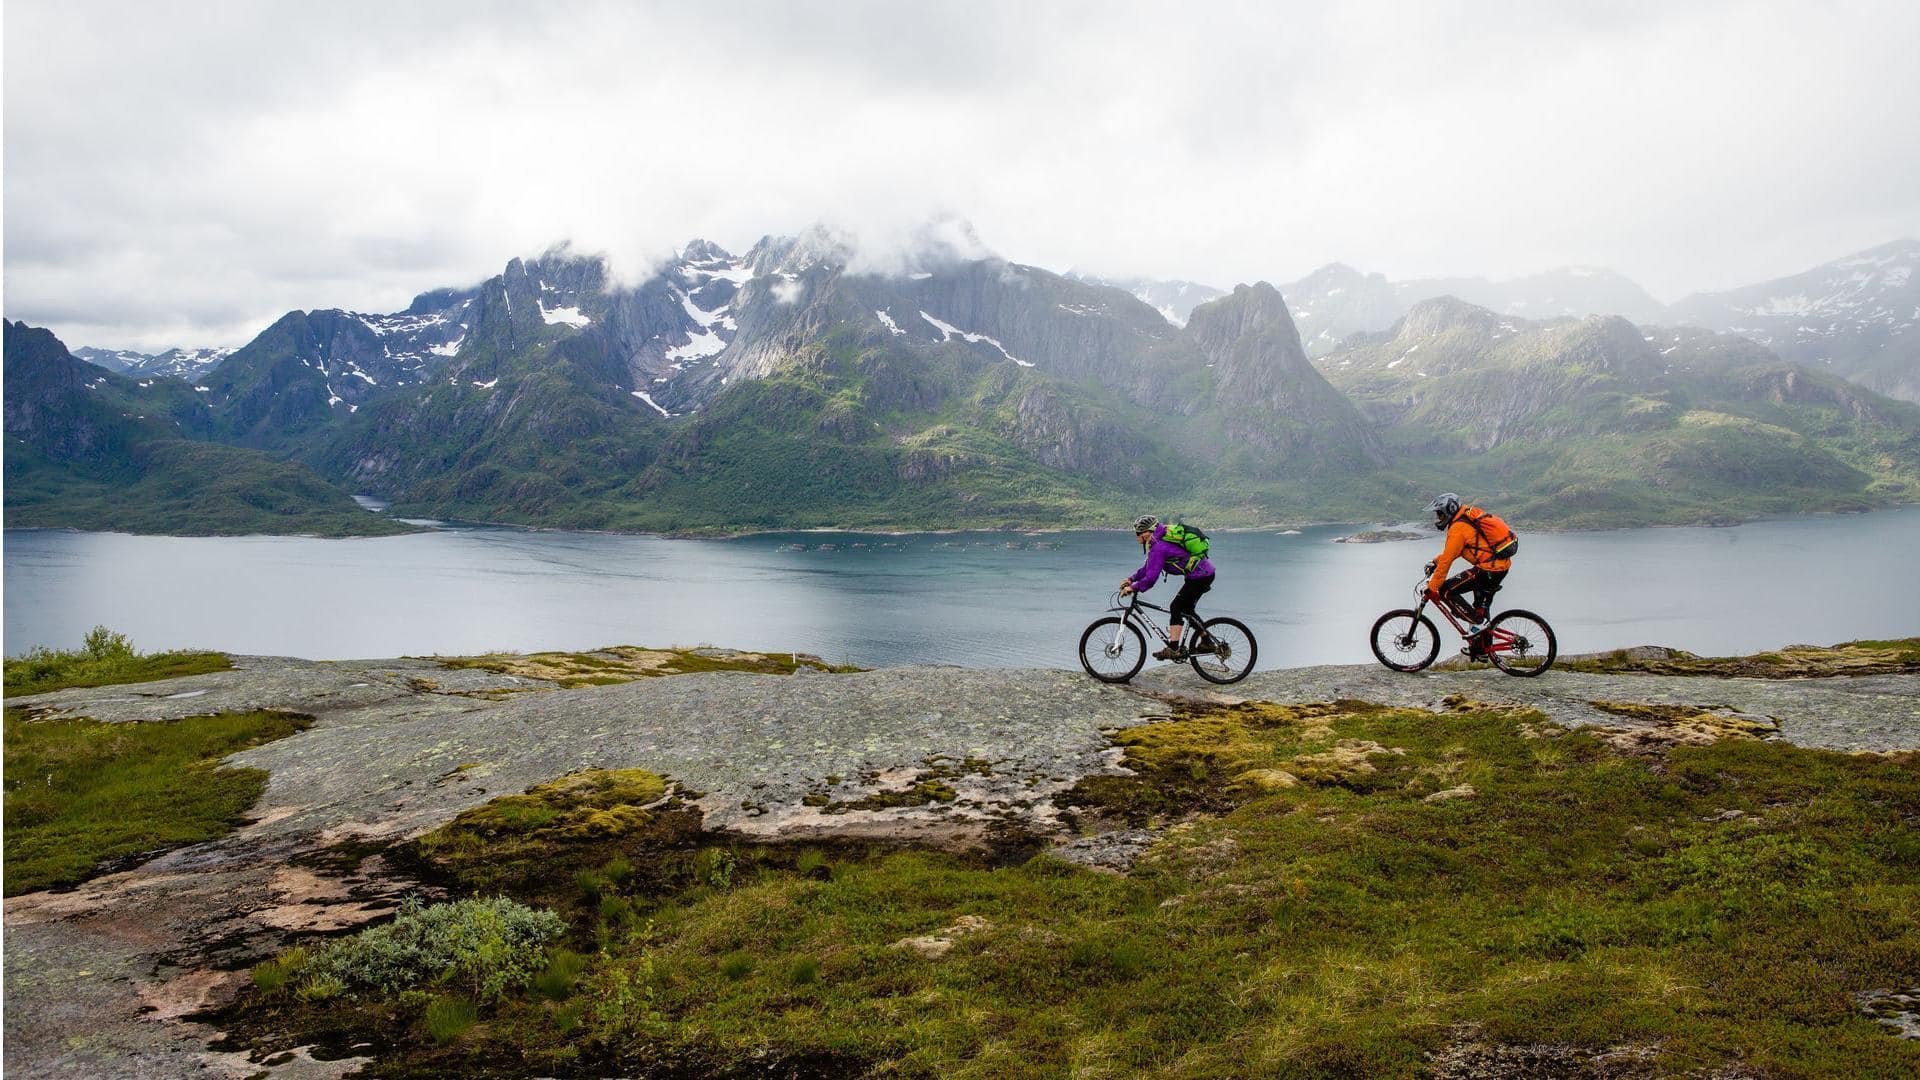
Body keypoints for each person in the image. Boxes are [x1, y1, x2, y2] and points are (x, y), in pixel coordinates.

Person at [1422, 493, 1517, 660]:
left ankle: (1478, 625)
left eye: (1439, 513)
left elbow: (1448, 560)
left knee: (1446, 590)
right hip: (1500, 567)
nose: (1438, 517)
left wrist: (1433, 586)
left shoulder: (1458, 528)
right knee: (1479, 609)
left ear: (1448, 511)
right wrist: (1435, 561)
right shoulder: (1466, 517)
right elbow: (1457, 551)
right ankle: (1481, 649)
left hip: (1488, 570)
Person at [1119, 514, 1217, 660]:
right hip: (1200, 575)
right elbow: (1148, 568)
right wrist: (1131, 579)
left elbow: (1151, 578)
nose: (1137, 536)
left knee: (1176, 606)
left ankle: (1174, 648)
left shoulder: (1158, 547)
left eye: (1139, 533)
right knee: (1186, 609)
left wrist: (1134, 587)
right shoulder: (1157, 542)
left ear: (1148, 533)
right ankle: (1207, 642)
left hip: (1200, 576)